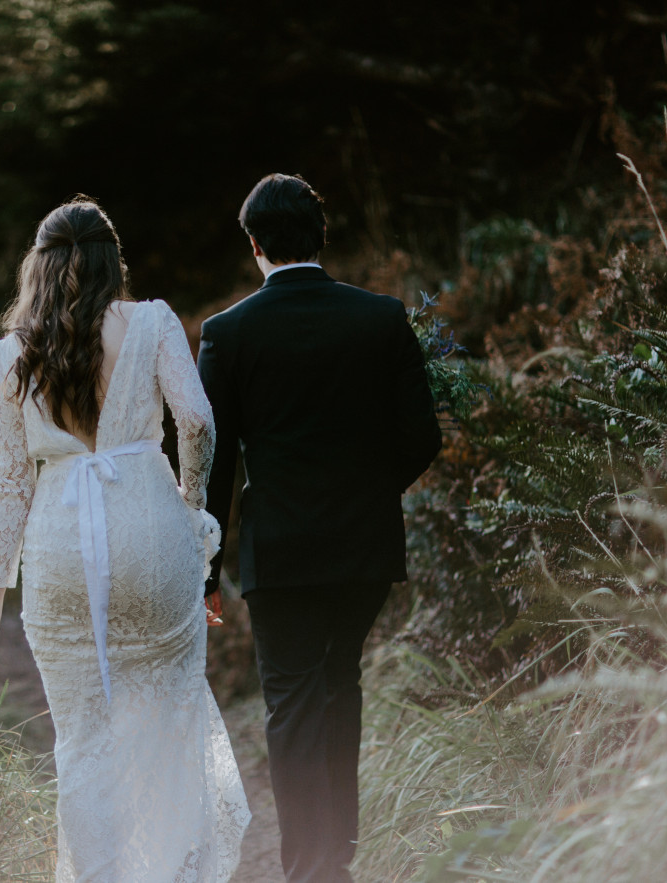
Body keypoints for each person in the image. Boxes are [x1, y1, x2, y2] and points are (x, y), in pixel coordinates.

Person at [0, 199, 250, 881]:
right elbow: (199, 423)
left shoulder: (10, 354)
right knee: (168, 717)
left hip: (60, 548)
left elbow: (10, 480)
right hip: (151, 532)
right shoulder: (151, 321)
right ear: (110, 263)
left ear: (39, 266)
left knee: (84, 741)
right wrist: (191, 508)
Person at [197, 173, 442, 882]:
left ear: (255, 245)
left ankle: (311, 867)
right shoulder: (379, 317)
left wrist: (205, 572)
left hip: (279, 553)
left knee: (293, 700)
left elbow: (211, 466)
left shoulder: (229, 332)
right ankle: (337, 857)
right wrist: (368, 492)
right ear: (320, 237)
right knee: (339, 682)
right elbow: (420, 435)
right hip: (364, 549)